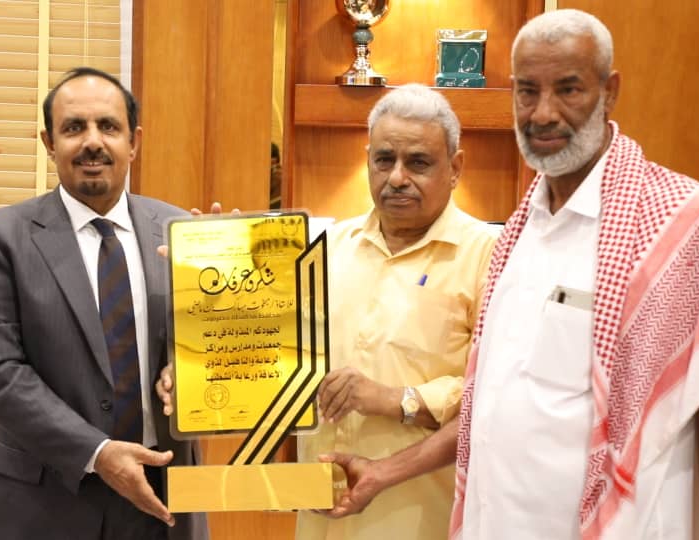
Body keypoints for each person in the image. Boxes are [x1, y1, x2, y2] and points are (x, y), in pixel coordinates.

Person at [321, 9, 699, 540]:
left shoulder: (684, 223)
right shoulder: (520, 234)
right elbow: (490, 403)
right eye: (527, 91)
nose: (544, 113)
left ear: (609, 92)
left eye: (568, 89)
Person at [157, 84, 498, 540]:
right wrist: (199, 352)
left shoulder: (491, 256)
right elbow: (267, 353)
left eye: (418, 162)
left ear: (455, 168)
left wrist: (396, 399)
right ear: (368, 160)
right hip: (321, 517)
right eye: (384, 160)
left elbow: (496, 398)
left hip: (422, 520)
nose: (397, 177)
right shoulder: (321, 250)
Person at [0, 67, 209, 540]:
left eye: (108, 126)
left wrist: (234, 278)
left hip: (164, 501)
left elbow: (210, 348)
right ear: (49, 143)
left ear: (134, 142)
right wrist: (98, 452)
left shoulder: (182, 231)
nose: (93, 142)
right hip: (44, 504)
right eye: (74, 127)